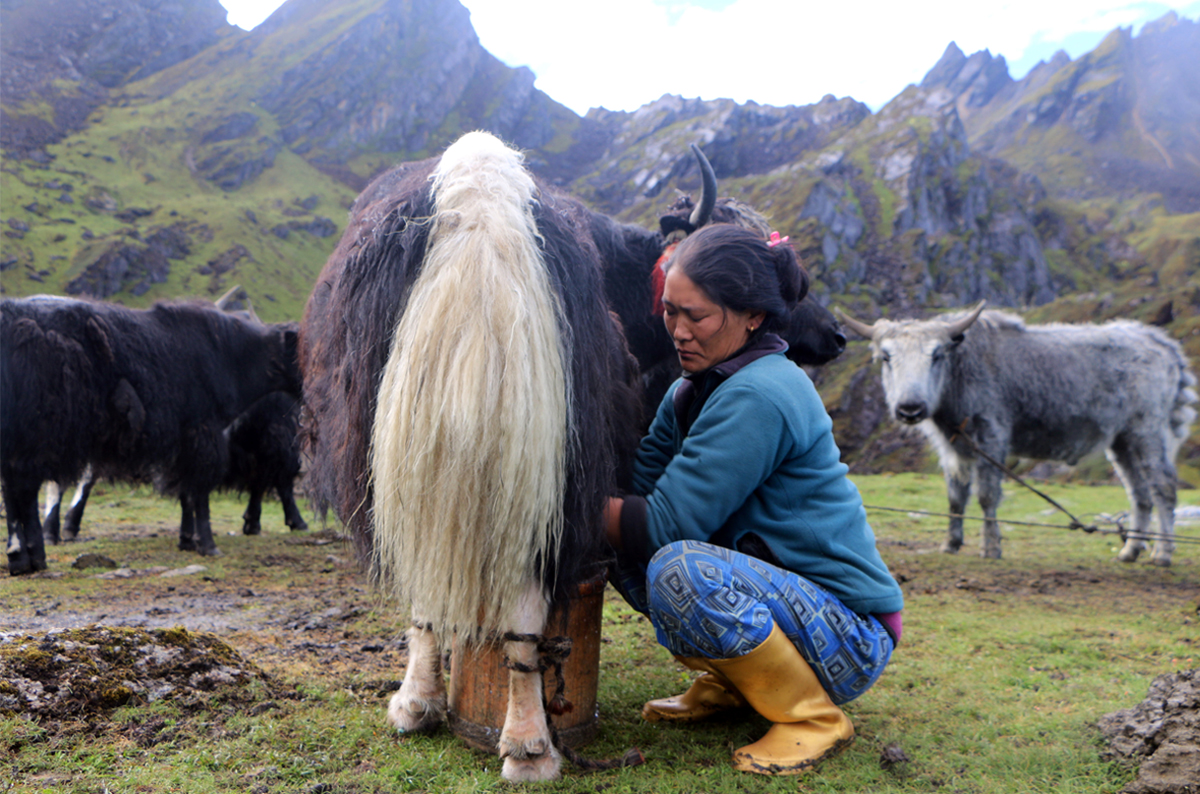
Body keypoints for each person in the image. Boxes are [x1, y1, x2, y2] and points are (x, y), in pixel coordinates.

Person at [604, 223, 903, 775]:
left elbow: (666, 523)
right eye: (671, 311)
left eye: (698, 315)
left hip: (850, 634)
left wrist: (565, 507)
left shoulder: (762, 392)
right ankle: (731, 684)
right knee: (619, 553)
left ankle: (813, 717)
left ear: (753, 316)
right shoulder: (689, 390)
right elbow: (640, 486)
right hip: (791, 606)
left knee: (678, 566)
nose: (678, 331)